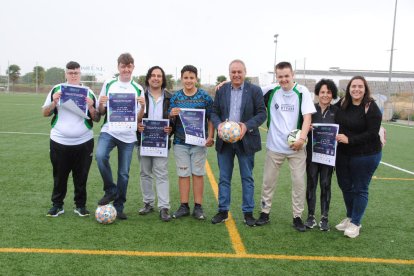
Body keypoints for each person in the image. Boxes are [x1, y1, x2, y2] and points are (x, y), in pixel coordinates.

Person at [256, 61, 316, 232]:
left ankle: (297, 216)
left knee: (298, 182)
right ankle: (265, 212)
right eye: (280, 76)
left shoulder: (302, 91)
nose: (283, 80)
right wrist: (225, 84)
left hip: (296, 147)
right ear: (277, 76)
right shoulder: (271, 90)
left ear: (293, 75)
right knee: (268, 181)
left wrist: (302, 139)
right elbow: (247, 91)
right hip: (274, 147)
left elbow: (307, 118)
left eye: (286, 76)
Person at [210, 59, 267, 227]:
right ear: (229, 73)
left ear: (245, 72)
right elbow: (214, 112)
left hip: (246, 140)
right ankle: (222, 211)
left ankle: (248, 213)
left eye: (239, 72)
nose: (236, 74)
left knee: (247, 178)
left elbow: (262, 113)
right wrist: (219, 124)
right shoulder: (221, 91)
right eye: (233, 72)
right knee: (224, 178)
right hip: (225, 142)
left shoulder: (255, 91)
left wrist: (246, 126)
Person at [43, 61, 99, 217]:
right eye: (70, 72)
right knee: (59, 175)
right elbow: (45, 113)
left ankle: (80, 206)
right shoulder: (57, 89)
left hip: (84, 141)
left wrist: (92, 107)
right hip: (59, 141)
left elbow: (97, 118)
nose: (73, 75)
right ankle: (57, 205)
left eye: (76, 73)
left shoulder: (88, 92)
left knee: (81, 176)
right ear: (65, 74)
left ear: (80, 73)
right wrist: (54, 102)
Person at [96, 53, 145, 220]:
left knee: (123, 173)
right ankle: (110, 190)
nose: (126, 69)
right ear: (118, 67)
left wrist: (142, 107)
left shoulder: (138, 88)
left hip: (128, 135)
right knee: (100, 156)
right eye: (123, 66)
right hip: (109, 130)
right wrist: (102, 103)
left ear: (133, 67)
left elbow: (138, 118)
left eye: (129, 66)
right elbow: (101, 112)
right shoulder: (109, 84)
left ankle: (119, 206)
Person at [334, 76, 382, 238]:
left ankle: (356, 222)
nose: (356, 89)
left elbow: (372, 133)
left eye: (360, 86)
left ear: (365, 88)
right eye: (353, 86)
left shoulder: (371, 106)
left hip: (366, 154)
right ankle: (350, 217)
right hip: (344, 154)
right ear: (348, 88)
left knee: (360, 188)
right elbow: (328, 114)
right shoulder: (342, 103)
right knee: (345, 186)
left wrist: (349, 139)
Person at [168, 65, 214, 220]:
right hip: (180, 142)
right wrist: (171, 114)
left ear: (196, 78)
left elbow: (211, 118)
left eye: (191, 78)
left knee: (198, 174)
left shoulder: (205, 97)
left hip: (199, 142)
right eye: (186, 78)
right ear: (181, 79)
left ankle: (198, 207)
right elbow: (169, 118)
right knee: (183, 174)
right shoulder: (175, 97)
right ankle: (184, 205)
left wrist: (210, 136)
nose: (188, 80)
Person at [137, 66, 174, 222]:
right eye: (153, 75)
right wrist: (137, 125)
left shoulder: (170, 97)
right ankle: (148, 203)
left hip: (161, 141)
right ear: (148, 78)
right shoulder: (140, 96)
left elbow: (174, 121)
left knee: (161, 173)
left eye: (159, 76)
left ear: (163, 79)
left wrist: (170, 128)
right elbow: (134, 117)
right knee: (145, 173)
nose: (156, 78)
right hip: (143, 141)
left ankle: (164, 207)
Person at [304, 79, 339, 231]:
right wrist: (307, 129)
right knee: (311, 183)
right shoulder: (310, 110)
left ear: (333, 94)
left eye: (329, 92)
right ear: (317, 93)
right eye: (322, 92)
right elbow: (301, 127)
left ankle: (324, 217)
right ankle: (311, 216)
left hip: (328, 156)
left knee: (325, 184)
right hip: (312, 155)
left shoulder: (338, 112)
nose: (325, 95)